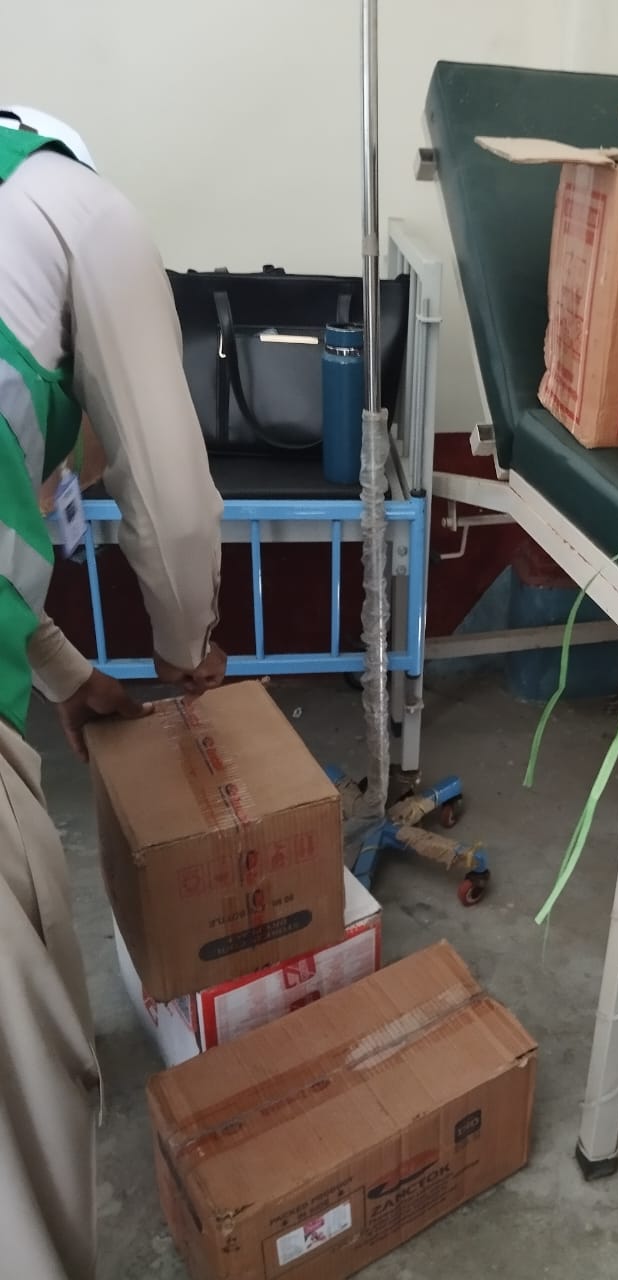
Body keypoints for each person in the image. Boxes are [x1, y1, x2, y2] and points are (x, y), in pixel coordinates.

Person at [0, 106, 225, 1278]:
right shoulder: (81, 209)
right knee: (25, 1154)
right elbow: (172, 499)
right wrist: (187, 649)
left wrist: (59, 668)